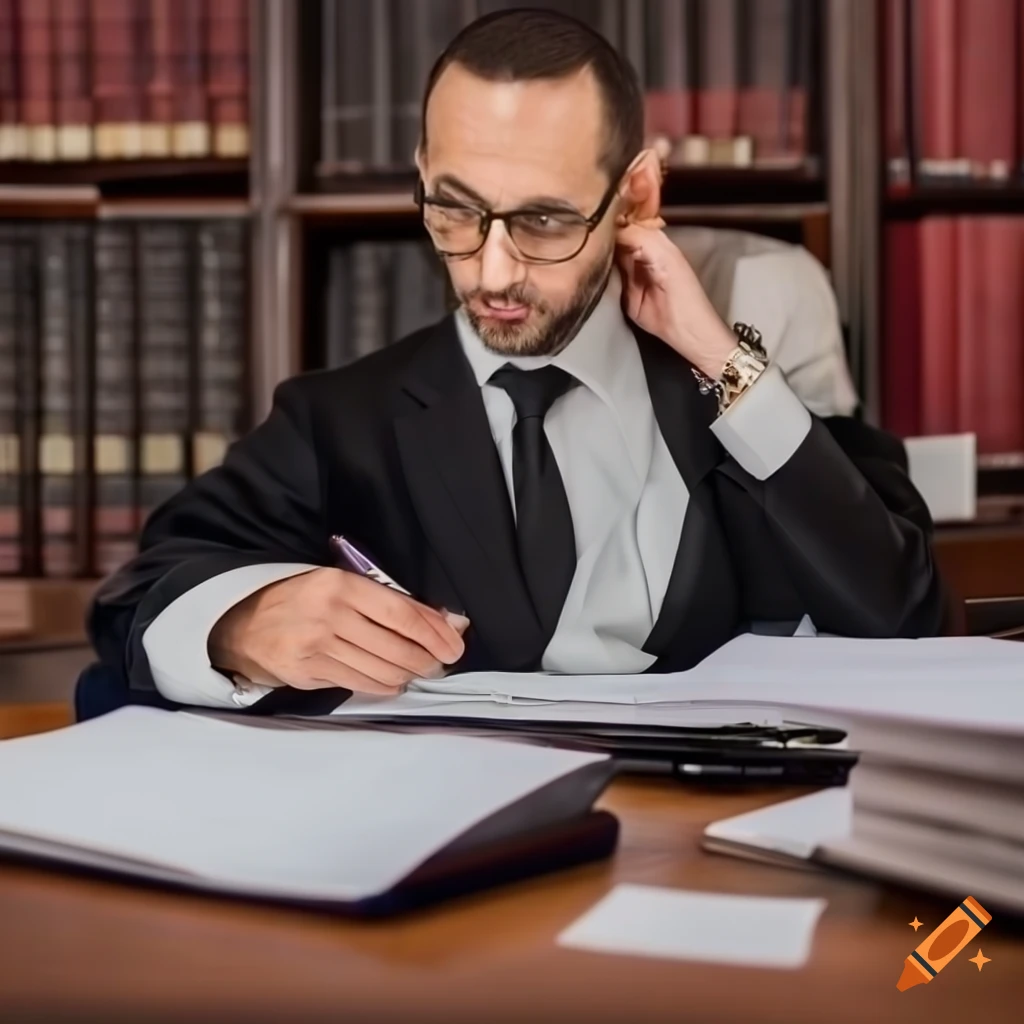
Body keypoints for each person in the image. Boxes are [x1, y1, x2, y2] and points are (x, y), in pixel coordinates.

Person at [87, 8, 944, 713]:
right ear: (423, 175)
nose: (492, 272)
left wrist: (723, 359)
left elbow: (904, 615)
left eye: (542, 221)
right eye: (454, 210)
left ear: (635, 197)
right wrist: (241, 623)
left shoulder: (729, 394)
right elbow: (140, 594)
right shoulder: (337, 421)